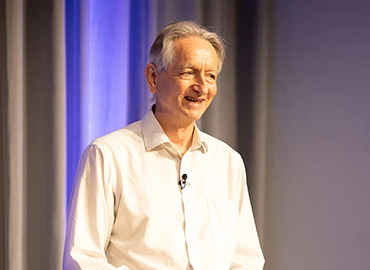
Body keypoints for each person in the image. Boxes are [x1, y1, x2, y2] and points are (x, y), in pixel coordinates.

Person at [63, 21, 265, 270]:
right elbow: (82, 259)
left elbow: (245, 259)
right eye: (188, 72)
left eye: (211, 76)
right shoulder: (108, 155)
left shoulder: (228, 161)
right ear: (153, 77)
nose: (202, 87)